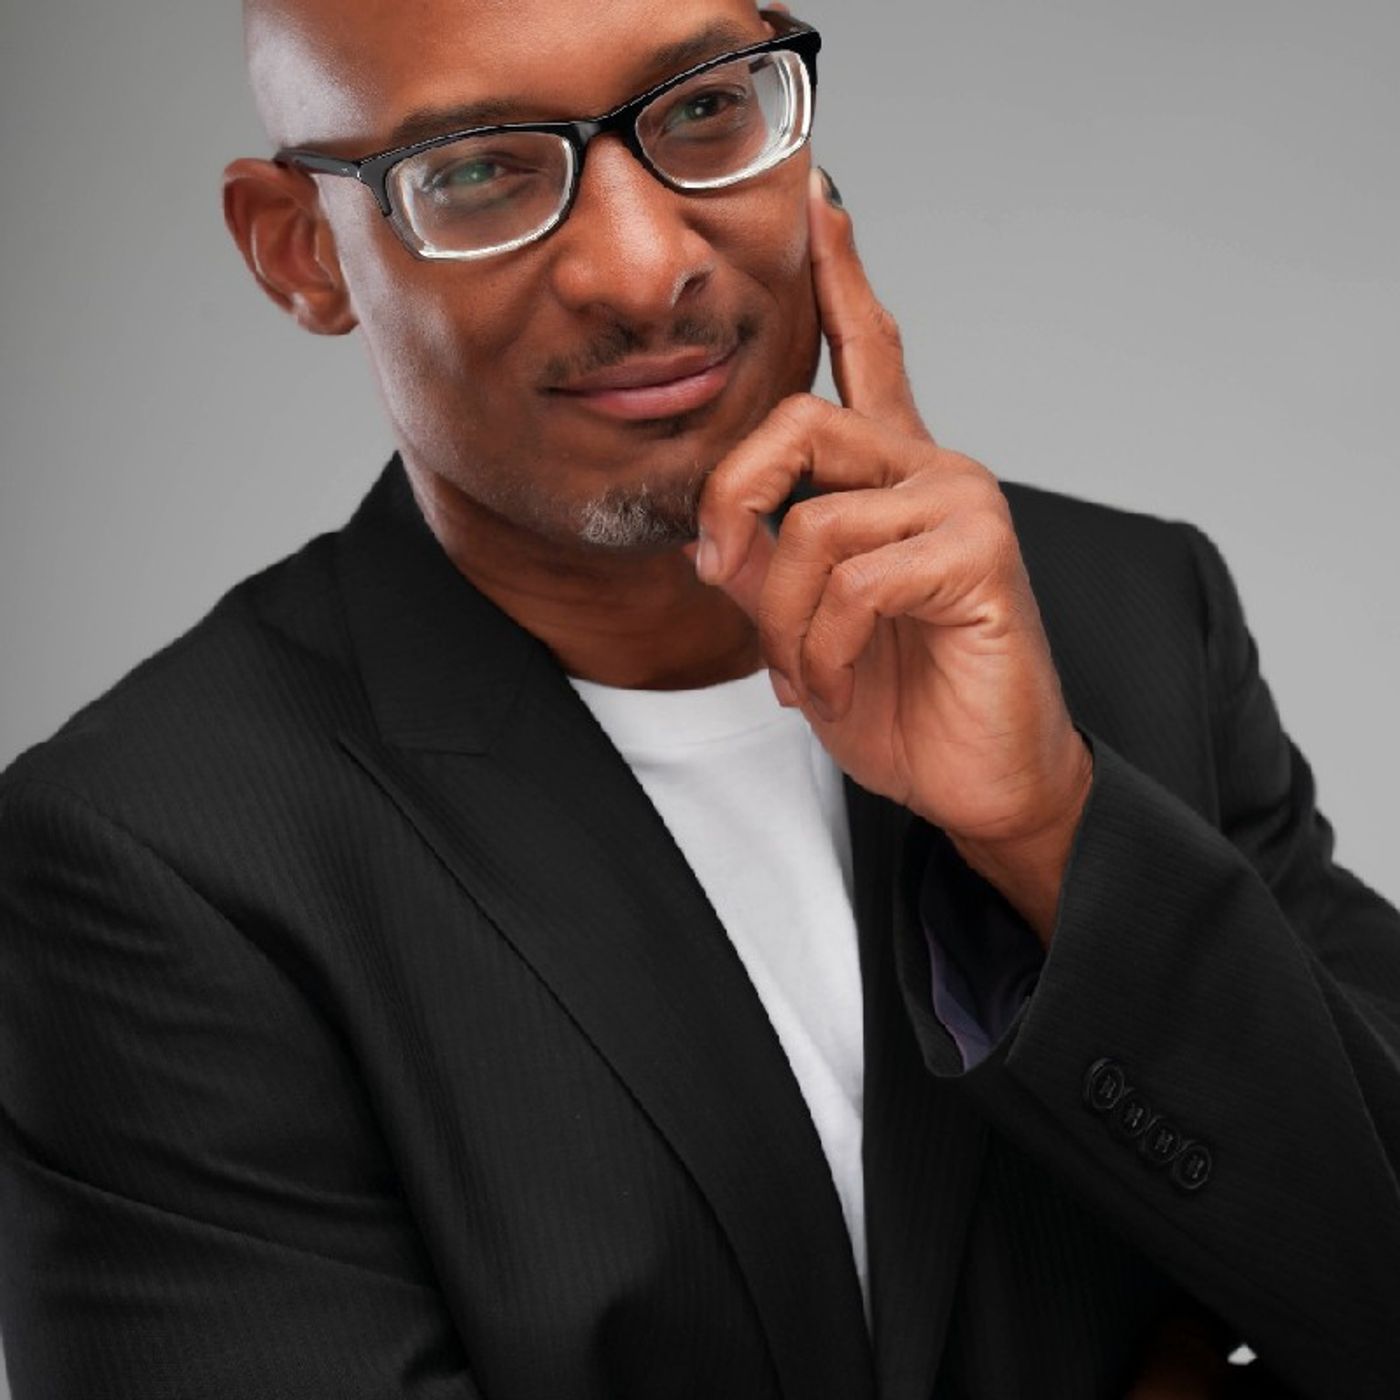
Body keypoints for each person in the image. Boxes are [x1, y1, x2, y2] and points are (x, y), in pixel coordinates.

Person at [1, 0, 1396, 1396]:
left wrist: (1051, 832)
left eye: (707, 108)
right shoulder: (152, 861)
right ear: (302, 251)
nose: (641, 266)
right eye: (478, 172)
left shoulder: (1125, 617)